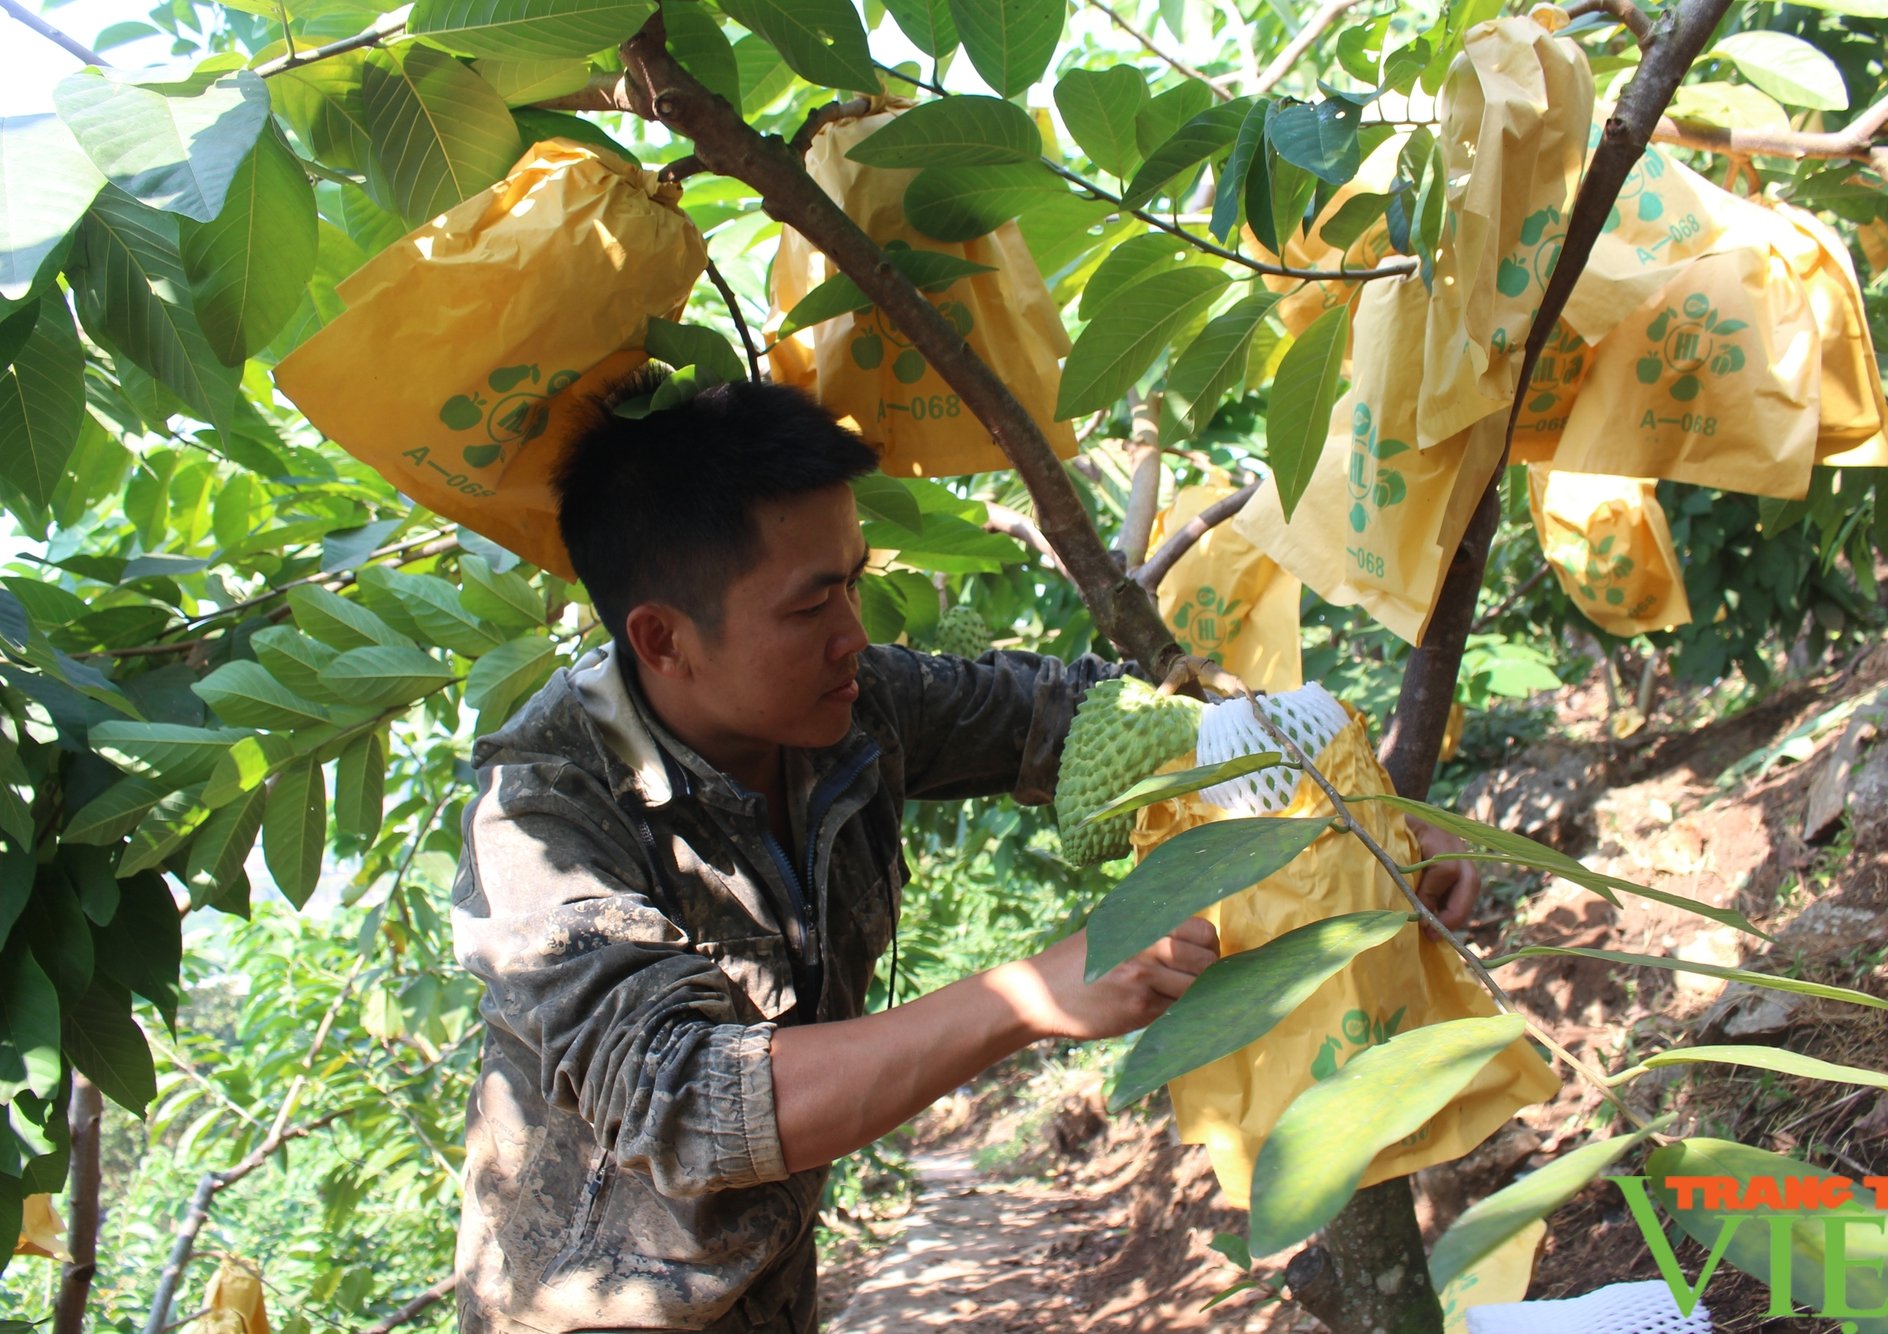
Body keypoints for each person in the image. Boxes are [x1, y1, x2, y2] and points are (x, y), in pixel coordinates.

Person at [450, 379, 1478, 1333]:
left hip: (772, 1279)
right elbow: (682, 1100)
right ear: (664, 640)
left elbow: (1089, 717)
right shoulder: (541, 812)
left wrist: (1342, 806)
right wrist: (1030, 996)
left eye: (852, 583)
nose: (854, 633)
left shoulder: (853, 705)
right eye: (810, 605)